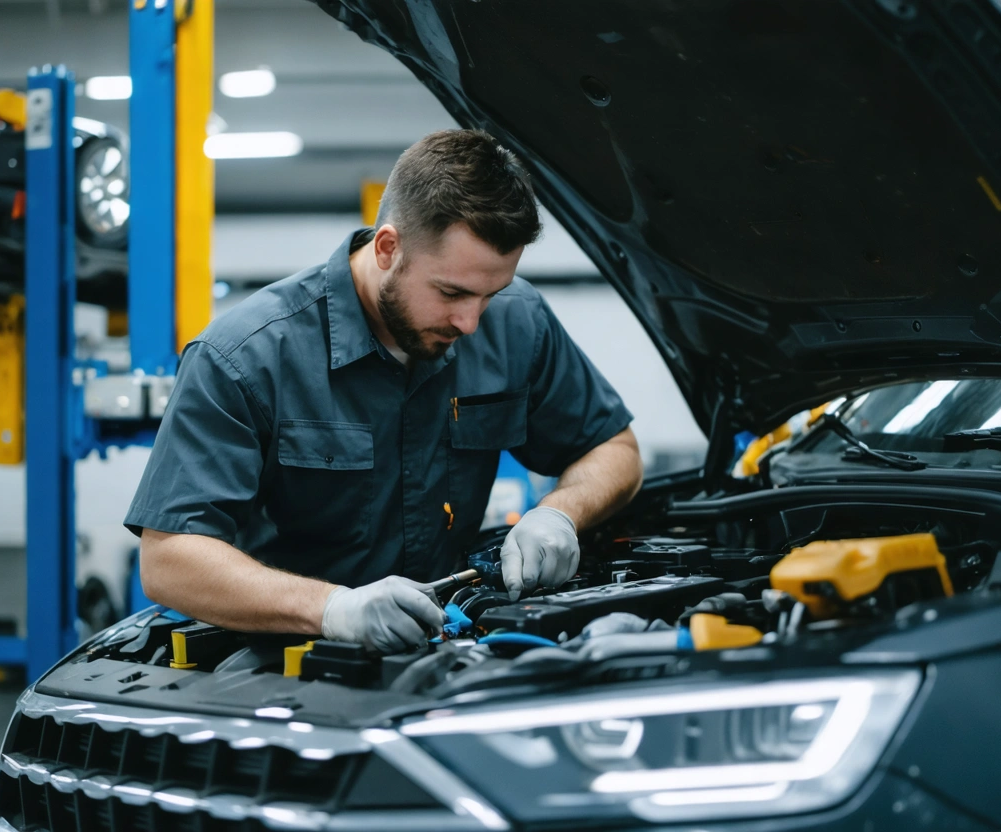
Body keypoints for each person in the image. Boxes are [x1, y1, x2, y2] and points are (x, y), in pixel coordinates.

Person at [124, 129, 643, 654]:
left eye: (491, 294)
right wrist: (330, 608)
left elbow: (613, 448)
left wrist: (560, 511)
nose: (470, 322)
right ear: (388, 247)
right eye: (451, 292)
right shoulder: (247, 357)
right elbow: (169, 561)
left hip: (452, 655)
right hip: (286, 670)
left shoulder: (516, 322)